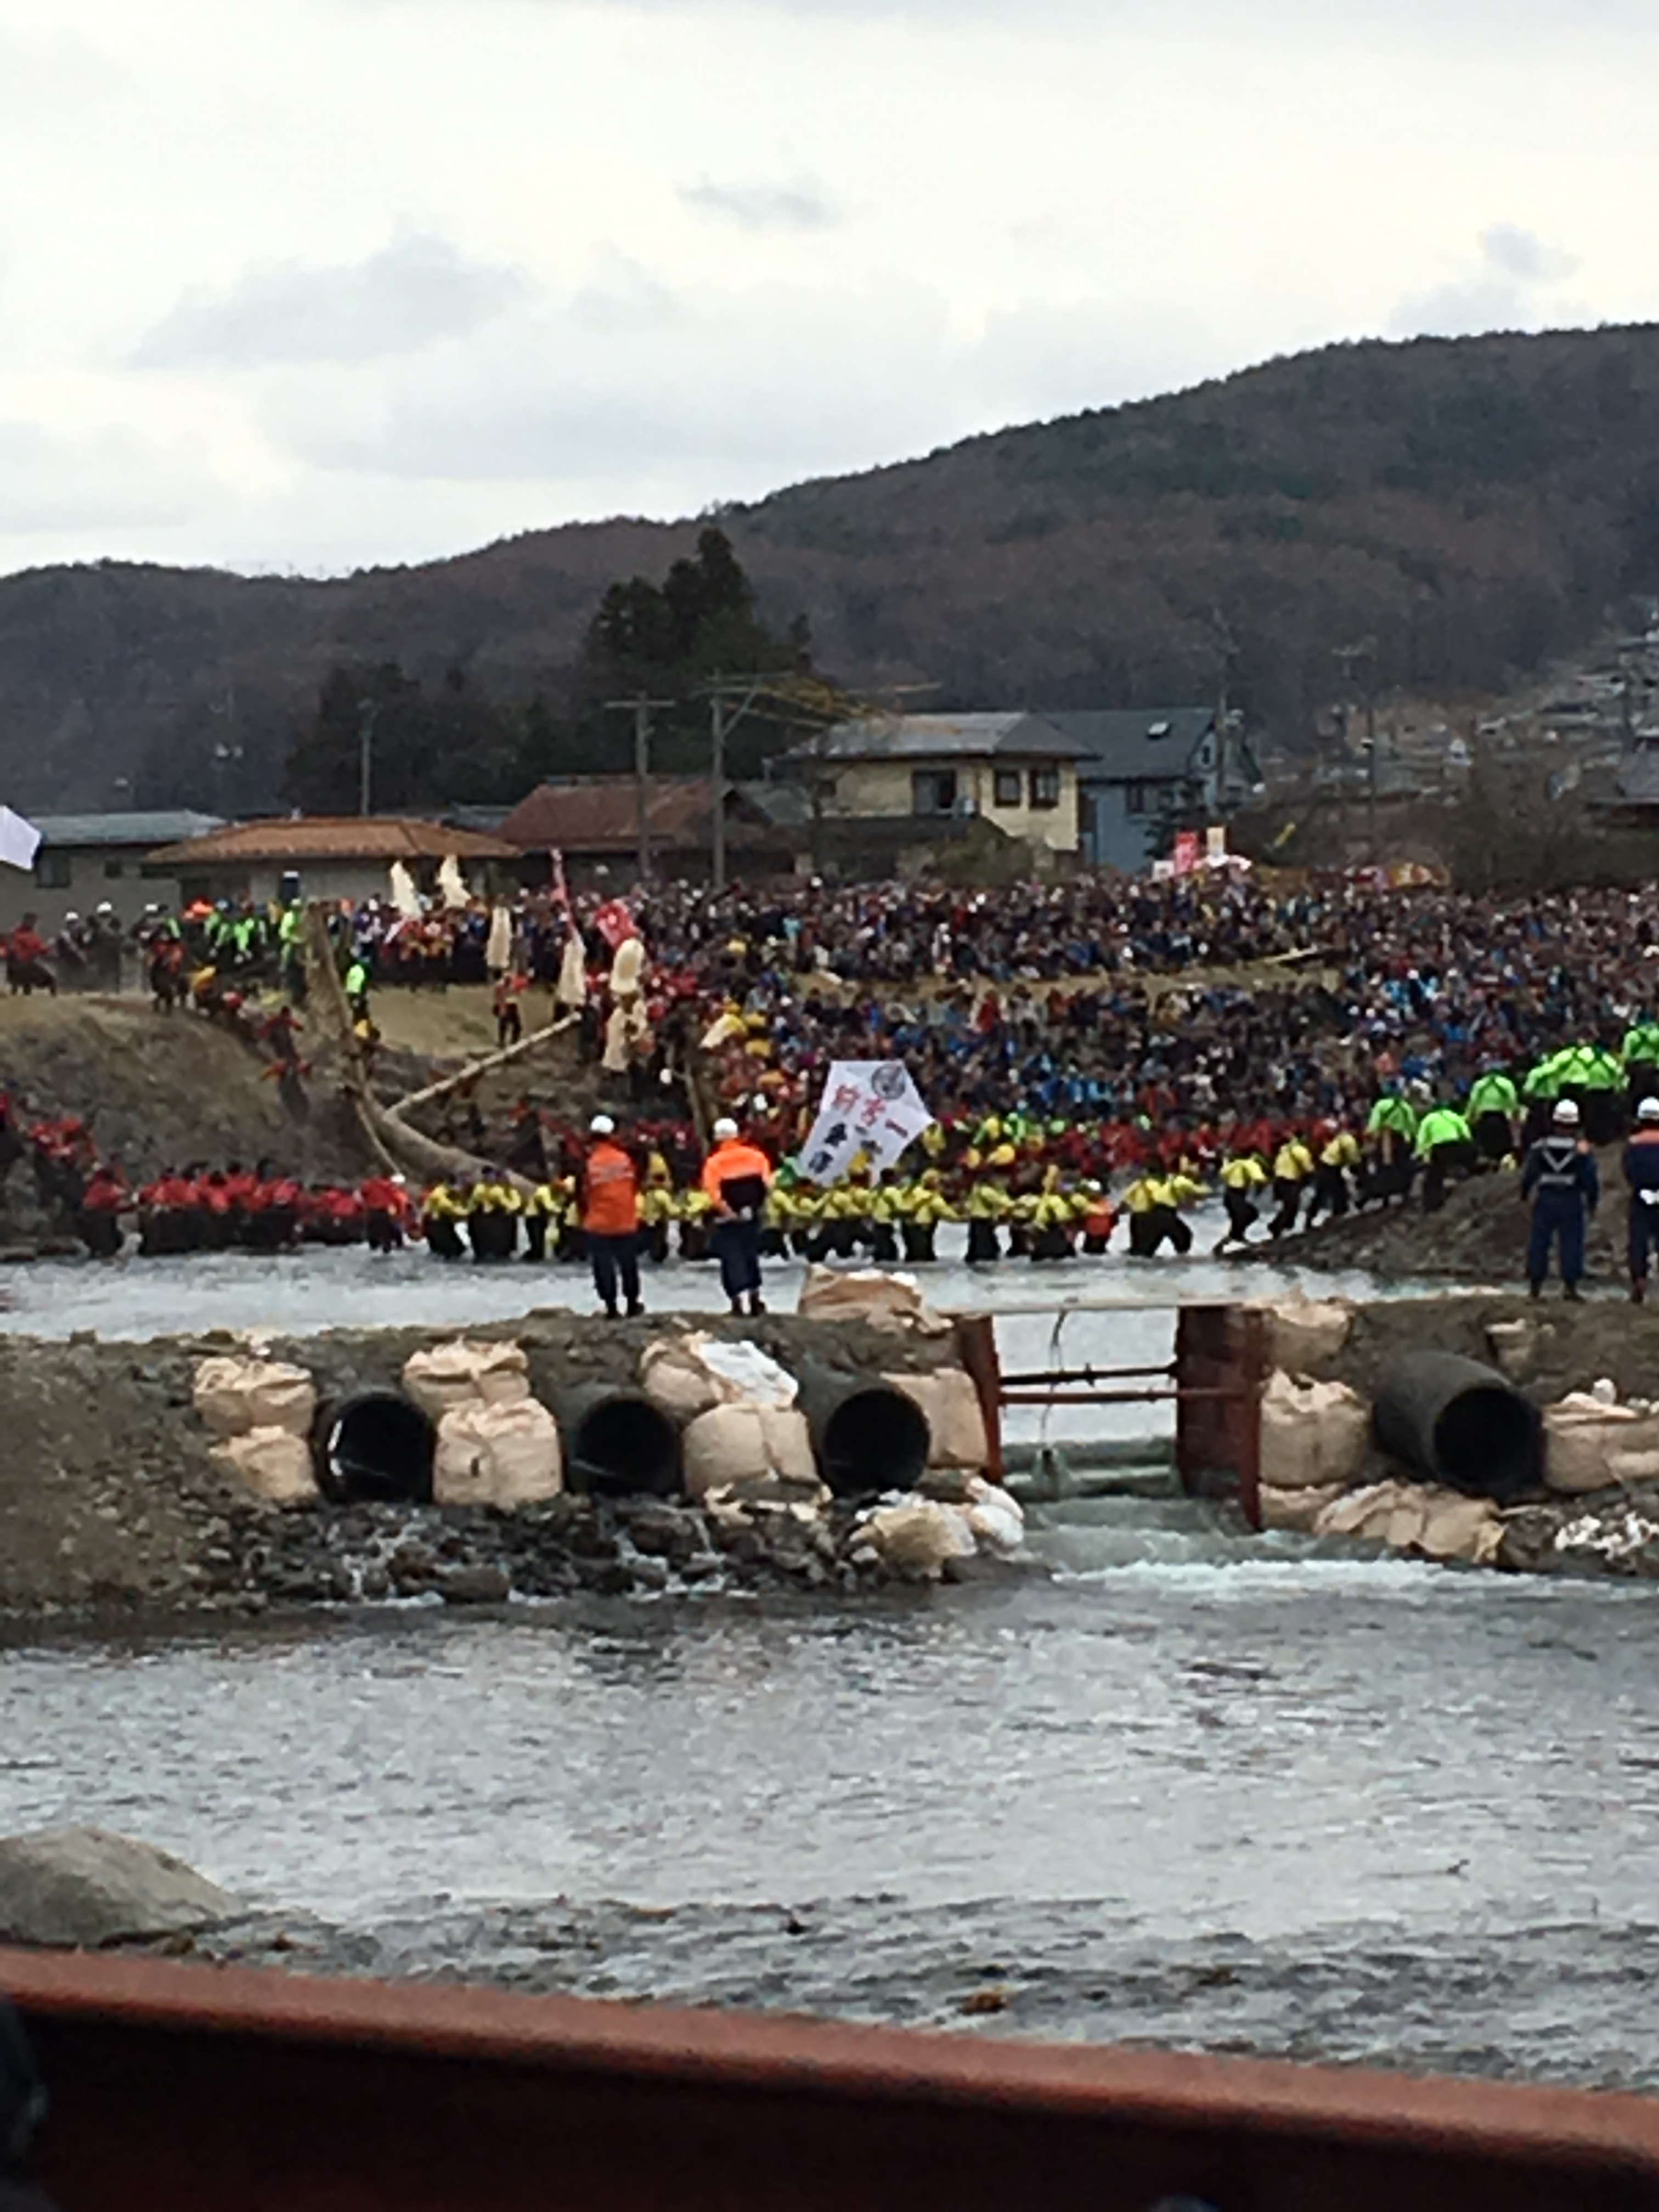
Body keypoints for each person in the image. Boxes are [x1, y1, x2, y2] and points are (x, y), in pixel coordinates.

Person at [1521, 1098, 1600, 1301]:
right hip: (1570, 1198)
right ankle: (1570, 1287)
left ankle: (1535, 1286)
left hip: (1546, 1198)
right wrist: (1592, 1200)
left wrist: (1525, 1194)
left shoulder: (1540, 1147)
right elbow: (1590, 1178)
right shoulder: (1581, 1151)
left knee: (1540, 1241)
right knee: (1572, 1242)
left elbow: (1529, 1174)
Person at [702, 1115, 772, 1316]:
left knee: (731, 1258)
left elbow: (714, 1194)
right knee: (750, 1255)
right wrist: (756, 1209)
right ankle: (755, 1297)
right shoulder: (757, 1157)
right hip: (752, 1215)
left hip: (727, 1219)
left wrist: (729, 1213)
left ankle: (737, 1303)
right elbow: (767, 1185)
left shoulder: (714, 1163)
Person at [581, 1114, 644, 1318]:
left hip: (599, 1222)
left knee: (603, 1266)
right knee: (628, 1264)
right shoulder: (624, 1159)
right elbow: (633, 1185)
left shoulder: (590, 1163)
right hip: (625, 1220)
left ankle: (611, 1308)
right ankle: (633, 1304)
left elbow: (583, 1192)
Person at [1624, 1095, 1659, 1304]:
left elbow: (1629, 1171)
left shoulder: (1633, 1143)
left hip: (1641, 1195)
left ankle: (1639, 1280)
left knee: (1638, 1240)